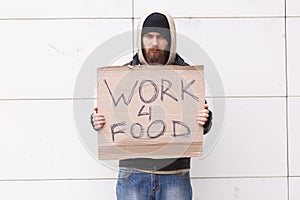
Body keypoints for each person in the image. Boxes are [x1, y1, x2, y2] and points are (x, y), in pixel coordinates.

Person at [91, 10, 212, 200]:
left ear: (170, 41)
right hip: (133, 174)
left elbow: (201, 123)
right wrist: (96, 120)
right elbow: (107, 117)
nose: (154, 43)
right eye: (149, 36)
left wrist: (205, 120)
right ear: (141, 40)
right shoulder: (119, 77)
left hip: (174, 175)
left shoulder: (187, 77)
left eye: (161, 37)